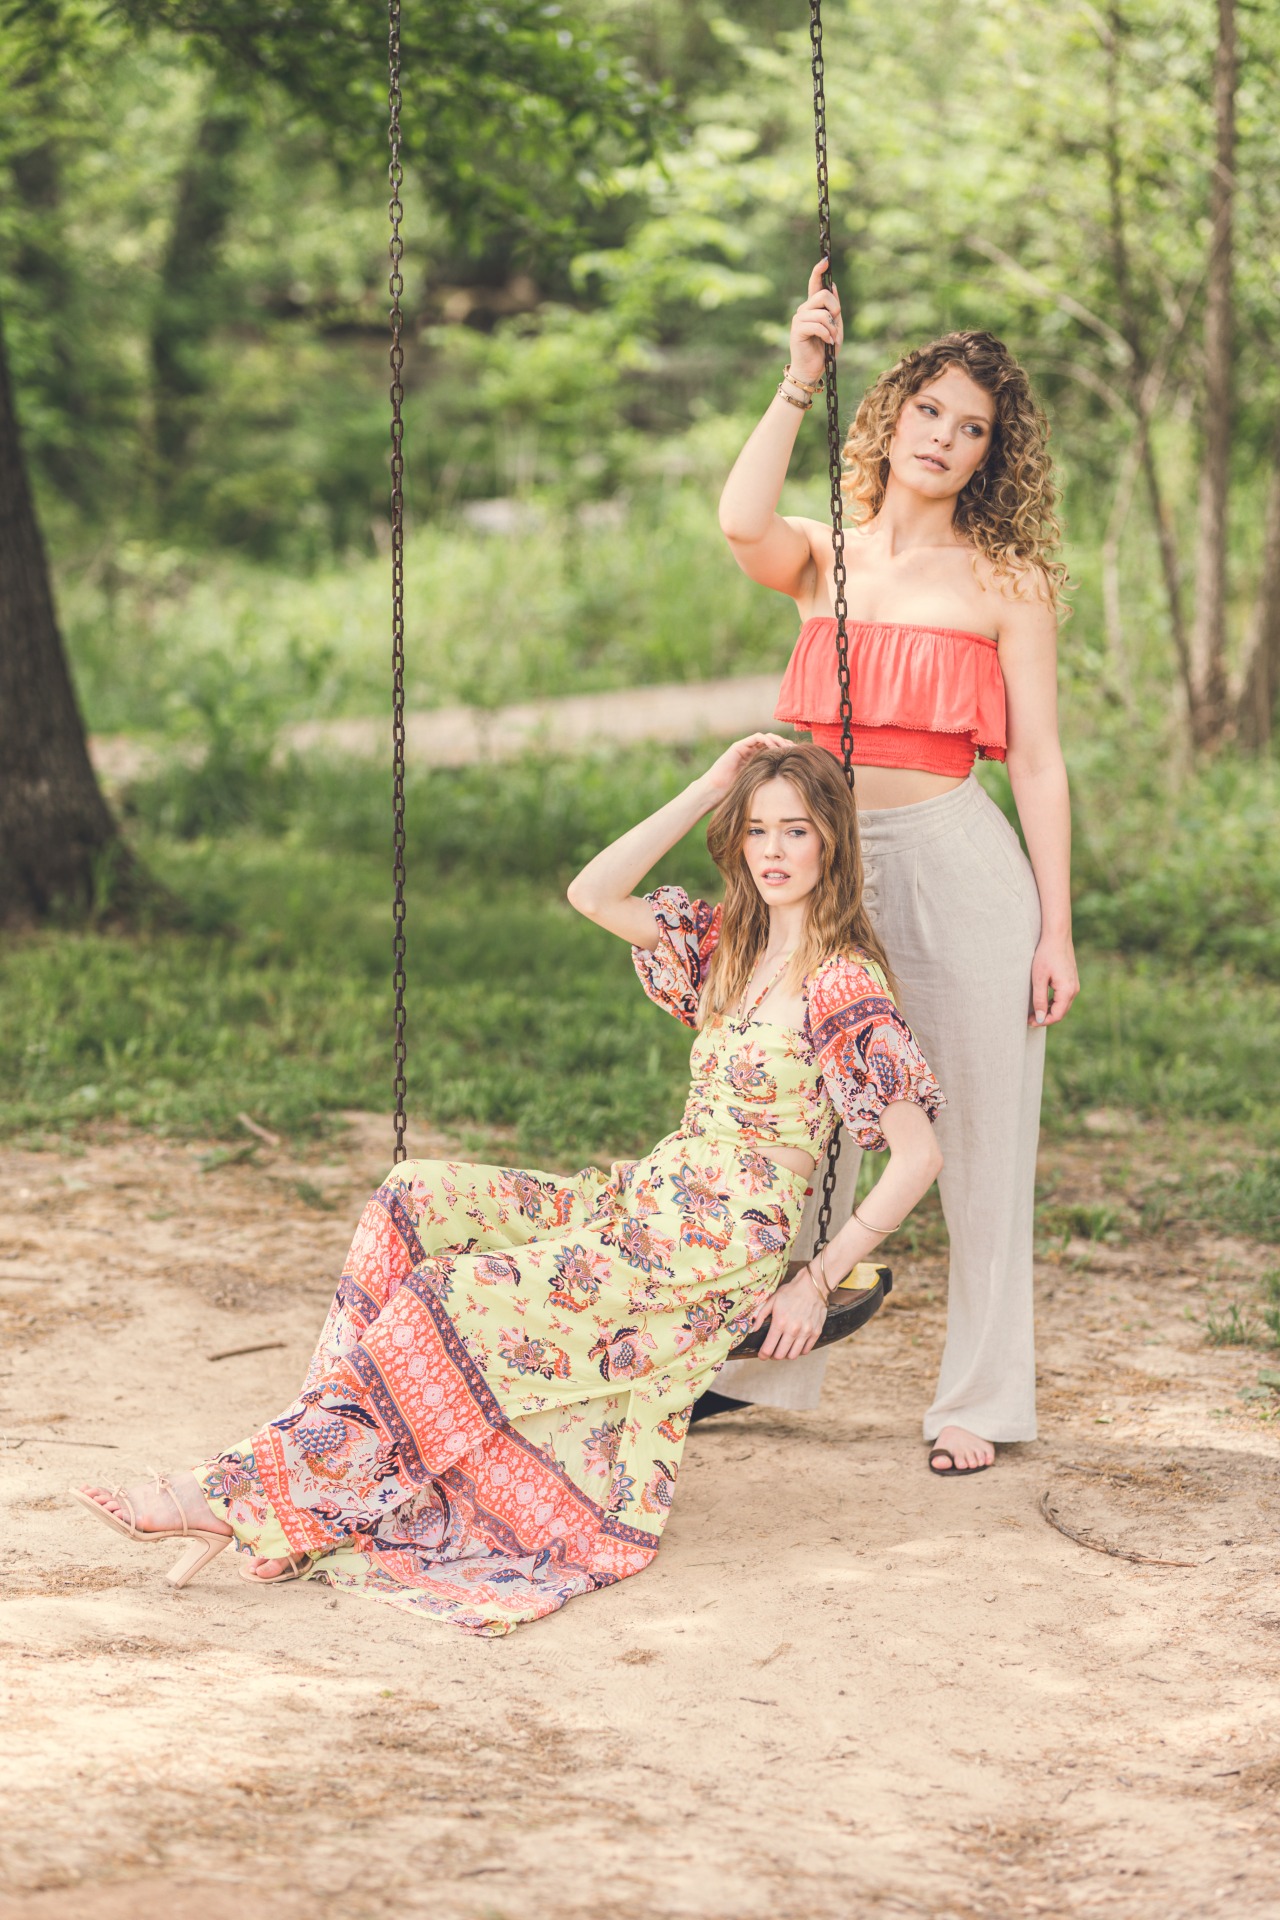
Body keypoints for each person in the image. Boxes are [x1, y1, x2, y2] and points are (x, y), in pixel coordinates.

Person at [72, 739, 943, 1636]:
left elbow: (917, 1158)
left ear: (831, 840)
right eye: (756, 829)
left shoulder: (841, 982)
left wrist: (815, 1280)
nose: (773, 850)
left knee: (450, 1295)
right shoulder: (729, 944)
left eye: (795, 830)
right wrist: (707, 786)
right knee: (414, 1197)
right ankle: (315, 1494)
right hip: (643, 1202)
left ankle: (231, 1495)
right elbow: (592, 894)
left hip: (711, 1247)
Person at [716, 263, 1079, 1475]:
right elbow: (738, 523)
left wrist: (1055, 930)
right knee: (790, 1113)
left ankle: (980, 1398)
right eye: (928, 410)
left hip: (960, 867)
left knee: (977, 1140)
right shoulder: (824, 553)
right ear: (891, 413)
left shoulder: (1006, 582)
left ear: (990, 455)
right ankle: (758, 1361)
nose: (942, 438)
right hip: (825, 869)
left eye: (970, 428)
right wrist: (795, 380)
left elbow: (1039, 766)